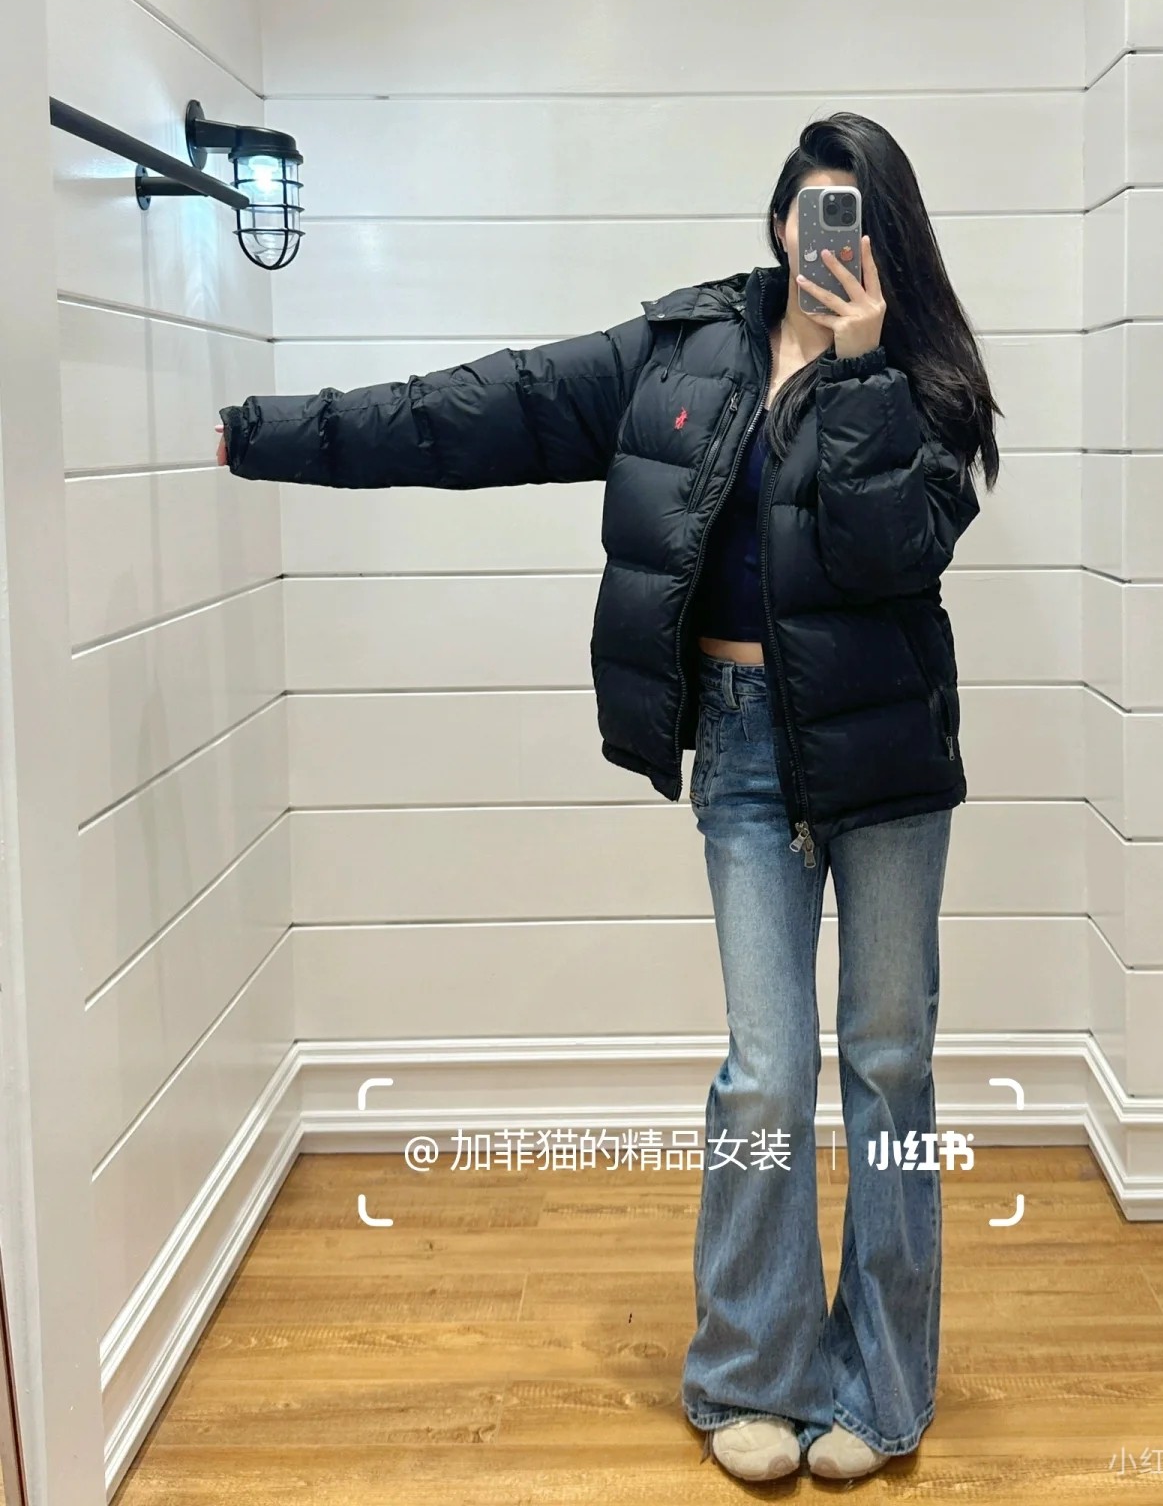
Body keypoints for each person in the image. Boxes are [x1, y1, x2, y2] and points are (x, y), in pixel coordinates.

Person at [215, 111, 1001, 1485]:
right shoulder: (683, 352)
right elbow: (478, 410)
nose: (826, 238)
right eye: (811, 208)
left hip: (886, 764)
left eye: (856, 215)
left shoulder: (926, 381)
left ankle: (884, 1384)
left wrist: (863, 369)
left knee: (890, 1066)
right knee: (766, 1075)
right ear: (777, 219)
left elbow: (894, 553)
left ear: (892, 240)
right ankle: (754, 1371)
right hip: (745, 749)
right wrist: (268, 434)